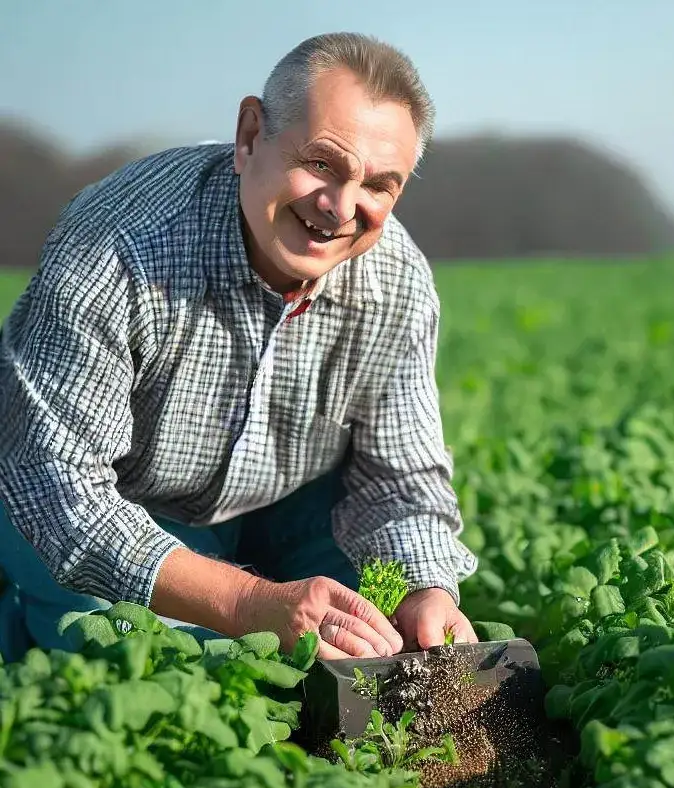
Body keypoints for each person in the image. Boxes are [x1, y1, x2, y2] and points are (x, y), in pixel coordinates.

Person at [0, 32, 479, 663]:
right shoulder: (116, 246)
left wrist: (425, 586)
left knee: (380, 632)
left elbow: (398, 472)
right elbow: (58, 487)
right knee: (130, 652)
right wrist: (244, 604)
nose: (340, 208)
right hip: (116, 497)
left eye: (378, 186)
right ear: (250, 135)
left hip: (282, 504)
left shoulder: (396, 279)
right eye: (323, 164)